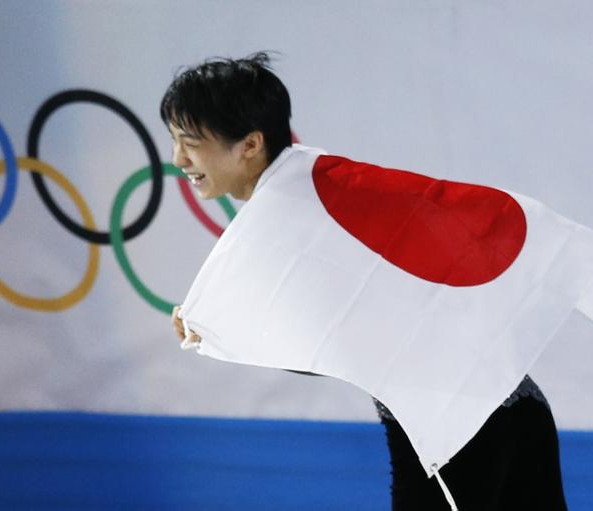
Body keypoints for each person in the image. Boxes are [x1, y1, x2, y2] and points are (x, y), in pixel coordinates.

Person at [162, 52, 567, 510]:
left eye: (190, 141)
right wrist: (218, 325)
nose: (178, 158)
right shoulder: (318, 187)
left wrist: (220, 326)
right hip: (502, 400)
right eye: (175, 140)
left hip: (461, 420)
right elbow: (343, 341)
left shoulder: (296, 214)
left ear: (251, 144)